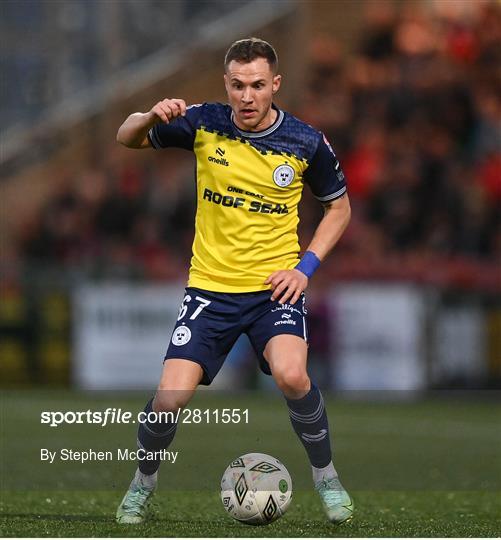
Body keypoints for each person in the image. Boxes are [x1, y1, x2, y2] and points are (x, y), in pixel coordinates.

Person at [115, 37, 353, 525]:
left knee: (292, 375)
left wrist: (305, 267)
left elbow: (339, 208)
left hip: (273, 290)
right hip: (210, 288)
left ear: (275, 85)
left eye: (258, 86)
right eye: (238, 86)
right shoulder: (204, 121)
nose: (247, 97)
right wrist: (149, 116)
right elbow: (126, 138)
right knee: (169, 399)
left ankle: (327, 478)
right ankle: (143, 483)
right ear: (227, 84)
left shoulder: (306, 142)